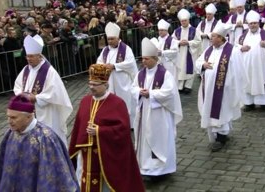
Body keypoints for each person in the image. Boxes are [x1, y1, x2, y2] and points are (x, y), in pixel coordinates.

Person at [69, 64, 145, 192]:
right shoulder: (85, 101)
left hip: (106, 155)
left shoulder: (117, 103)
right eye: (90, 83)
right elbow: (78, 127)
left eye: (95, 84)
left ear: (105, 84)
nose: (91, 87)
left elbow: (123, 131)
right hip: (86, 155)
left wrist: (99, 131)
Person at [0, 95, 79, 191]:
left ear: (29, 116)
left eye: (14, 117)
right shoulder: (10, 133)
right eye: (8, 117)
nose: (9, 121)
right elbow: (1, 165)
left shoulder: (45, 138)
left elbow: (51, 175)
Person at [131, 37, 183, 180]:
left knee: (159, 140)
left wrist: (151, 94)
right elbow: (133, 87)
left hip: (159, 114)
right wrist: (139, 92)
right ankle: (146, 168)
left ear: (155, 58)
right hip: (144, 112)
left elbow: (170, 92)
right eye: (142, 59)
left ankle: (161, 170)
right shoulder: (141, 73)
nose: (143, 61)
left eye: (146, 59)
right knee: (146, 141)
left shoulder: (165, 74)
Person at [13, 34, 73, 145]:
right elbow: (17, 85)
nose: (28, 59)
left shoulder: (49, 71)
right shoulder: (26, 69)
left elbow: (55, 92)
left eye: (31, 56)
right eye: (27, 56)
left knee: (48, 140)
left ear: (40, 56)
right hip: (29, 111)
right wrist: (21, 94)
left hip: (46, 112)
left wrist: (36, 97)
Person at [196, 22, 245, 152]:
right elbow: (199, 61)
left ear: (221, 38)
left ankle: (221, 137)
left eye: (213, 36)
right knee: (212, 111)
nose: (211, 39)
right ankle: (221, 134)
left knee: (222, 111)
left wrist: (229, 84)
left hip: (224, 89)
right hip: (208, 88)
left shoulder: (232, 51)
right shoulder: (209, 49)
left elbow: (238, 71)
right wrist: (203, 65)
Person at [97, 22, 138, 127]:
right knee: (110, 102)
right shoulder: (105, 50)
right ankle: (113, 123)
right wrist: (103, 66)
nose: (110, 41)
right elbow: (99, 61)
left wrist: (114, 66)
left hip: (122, 81)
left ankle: (128, 124)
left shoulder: (126, 49)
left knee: (125, 102)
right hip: (109, 80)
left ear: (118, 37)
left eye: (112, 39)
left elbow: (130, 63)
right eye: (108, 39)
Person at [238, 10, 265, 111]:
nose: (253, 25)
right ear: (248, 24)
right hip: (247, 65)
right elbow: (236, 46)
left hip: (262, 66)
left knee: (263, 81)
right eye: (251, 23)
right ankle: (249, 103)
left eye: (255, 23)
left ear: (258, 23)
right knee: (248, 82)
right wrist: (241, 48)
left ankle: (264, 102)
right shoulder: (243, 35)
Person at [172, 8, 201, 94]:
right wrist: (179, 42)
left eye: (185, 21)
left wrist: (189, 42)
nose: (183, 22)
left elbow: (198, 41)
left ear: (188, 20)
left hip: (190, 53)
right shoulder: (177, 31)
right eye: (182, 21)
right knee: (180, 69)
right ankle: (180, 86)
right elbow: (172, 41)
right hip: (180, 52)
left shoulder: (194, 30)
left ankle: (188, 86)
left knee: (190, 68)